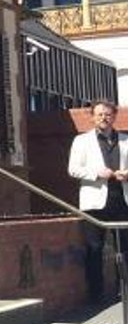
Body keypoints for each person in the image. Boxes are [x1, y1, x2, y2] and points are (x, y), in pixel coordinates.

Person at [67, 99, 128, 303]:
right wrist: (97, 173)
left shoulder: (125, 140)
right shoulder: (81, 141)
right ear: (93, 117)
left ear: (114, 116)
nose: (104, 118)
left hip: (122, 201)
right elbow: (73, 169)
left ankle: (125, 291)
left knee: (126, 249)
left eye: (108, 114)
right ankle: (96, 295)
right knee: (94, 249)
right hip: (94, 203)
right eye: (100, 114)